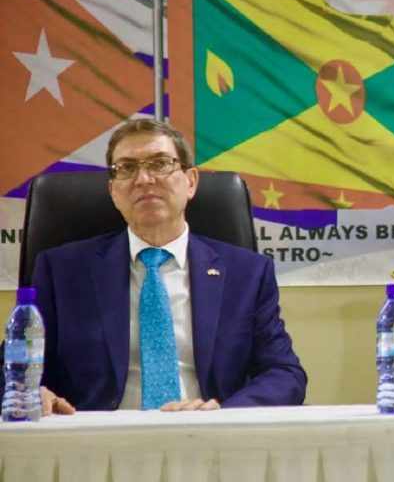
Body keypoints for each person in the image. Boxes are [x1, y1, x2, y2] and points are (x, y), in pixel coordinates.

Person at [3, 119, 306, 415]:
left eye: (160, 164)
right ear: (113, 191)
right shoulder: (62, 271)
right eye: (127, 168)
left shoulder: (247, 273)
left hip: (208, 437)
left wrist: (222, 412)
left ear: (191, 182)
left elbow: (284, 374)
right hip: (96, 442)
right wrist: (31, 391)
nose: (144, 179)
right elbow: (12, 366)